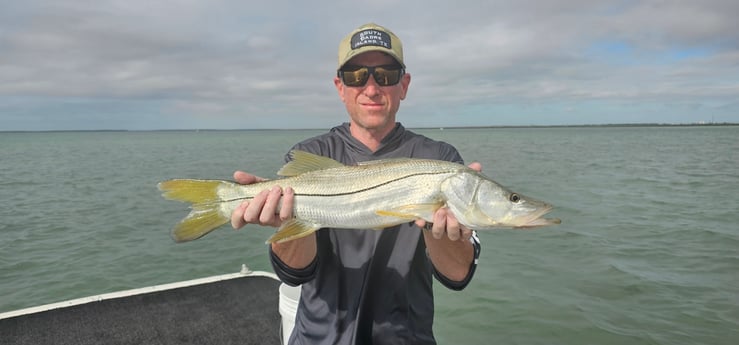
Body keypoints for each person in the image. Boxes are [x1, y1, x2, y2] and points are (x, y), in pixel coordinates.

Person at [230, 23, 482, 345]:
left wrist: (445, 229)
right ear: (340, 86)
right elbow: (295, 272)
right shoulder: (311, 153)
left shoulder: (440, 158)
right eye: (356, 76)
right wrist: (286, 223)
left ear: (404, 85)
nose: (372, 88)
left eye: (386, 74)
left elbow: (457, 276)